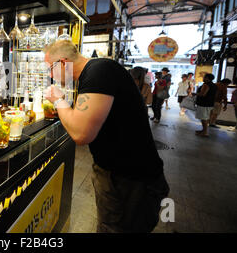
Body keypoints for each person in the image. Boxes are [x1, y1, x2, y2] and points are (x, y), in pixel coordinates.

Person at [43, 40, 169, 233]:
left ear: (62, 62)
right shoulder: (94, 73)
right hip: (120, 173)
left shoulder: (98, 72)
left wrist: (58, 100)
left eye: (50, 68)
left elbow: (80, 133)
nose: (50, 75)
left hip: (131, 180)